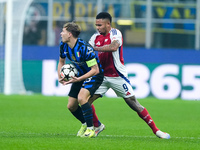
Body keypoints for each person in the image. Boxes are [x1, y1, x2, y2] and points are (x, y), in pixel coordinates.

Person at [88, 12, 170, 139]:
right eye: (96, 25)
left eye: (100, 25)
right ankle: (97, 126)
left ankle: (157, 131)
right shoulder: (94, 37)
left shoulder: (116, 33)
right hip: (101, 76)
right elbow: (88, 52)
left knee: (133, 103)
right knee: (85, 101)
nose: (97, 28)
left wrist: (95, 48)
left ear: (108, 24)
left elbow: (114, 47)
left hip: (117, 76)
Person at [57, 22, 104, 138]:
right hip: (79, 76)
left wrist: (78, 79)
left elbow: (95, 70)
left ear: (69, 34)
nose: (60, 33)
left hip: (93, 75)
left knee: (82, 98)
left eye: (63, 31)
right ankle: (85, 123)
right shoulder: (63, 45)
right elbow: (61, 62)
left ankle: (91, 129)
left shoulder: (85, 48)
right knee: (71, 106)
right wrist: (60, 76)